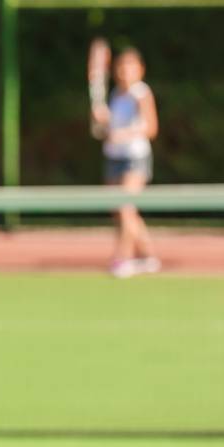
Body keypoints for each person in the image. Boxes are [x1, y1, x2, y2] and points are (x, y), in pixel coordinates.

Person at [89, 44, 161, 278]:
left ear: (141, 70)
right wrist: (101, 122)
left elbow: (151, 128)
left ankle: (123, 258)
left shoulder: (141, 93)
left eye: (130, 67)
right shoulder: (114, 96)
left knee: (126, 207)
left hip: (135, 158)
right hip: (113, 157)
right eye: (121, 67)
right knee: (120, 211)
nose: (125, 72)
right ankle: (149, 257)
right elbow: (105, 130)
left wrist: (123, 134)